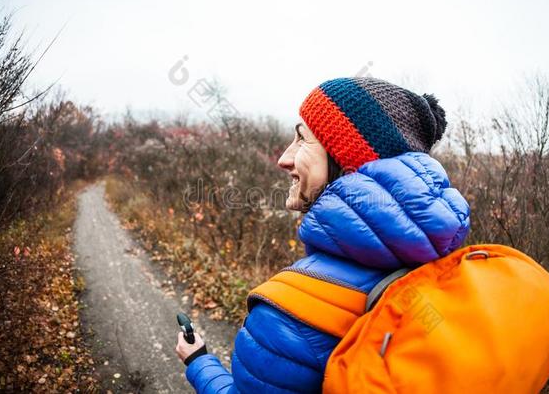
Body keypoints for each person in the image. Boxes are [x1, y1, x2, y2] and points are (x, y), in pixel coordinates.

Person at [175, 77, 471, 393]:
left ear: (348, 161)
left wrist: (199, 361)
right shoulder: (455, 272)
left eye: (302, 140)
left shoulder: (291, 312)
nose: (283, 158)